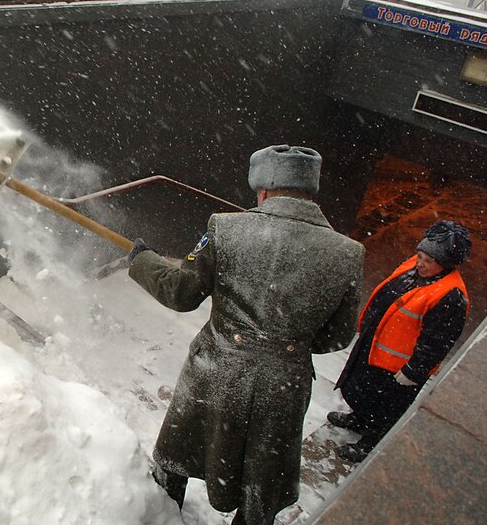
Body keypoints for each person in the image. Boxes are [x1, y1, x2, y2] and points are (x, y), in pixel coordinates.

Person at [127, 145, 364, 525]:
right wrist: (288, 345)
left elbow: (181, 293)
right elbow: (337, 337)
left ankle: (162, 513)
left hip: (214, 371)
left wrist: (143, 260)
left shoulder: (226, 228)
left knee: (178, 454)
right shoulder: (348, 253)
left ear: (266, 188)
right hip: (282, 386)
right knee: (262, 480)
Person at [329, 220, 471, 463]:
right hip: (377, 349)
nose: (421, 263)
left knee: (385, 408)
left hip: (399, 367)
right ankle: (359, 418)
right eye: (420, 256)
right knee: (363, 391)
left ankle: (369, 443)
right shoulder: (413, 267)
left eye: (429, 261)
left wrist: (414, 371)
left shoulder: (451, 296)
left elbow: (437, 341)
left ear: (445, 264)